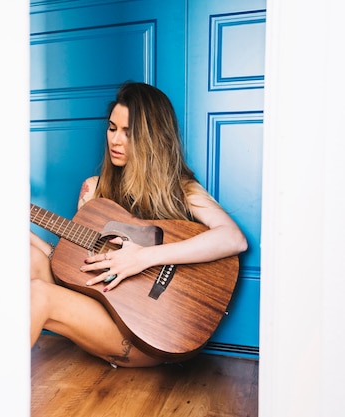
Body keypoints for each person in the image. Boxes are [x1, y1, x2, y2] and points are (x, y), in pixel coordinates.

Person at [30, 82, 248, 368]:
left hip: (149, 336)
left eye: (128, 133)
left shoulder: (181, 189)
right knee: (27, 255)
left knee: (38, 295)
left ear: (152, 138)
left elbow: (233, 239)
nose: (115, 141)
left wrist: (143, 258)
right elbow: (76, 269)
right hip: (102, 313)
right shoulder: (94, 190)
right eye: (112, 128)